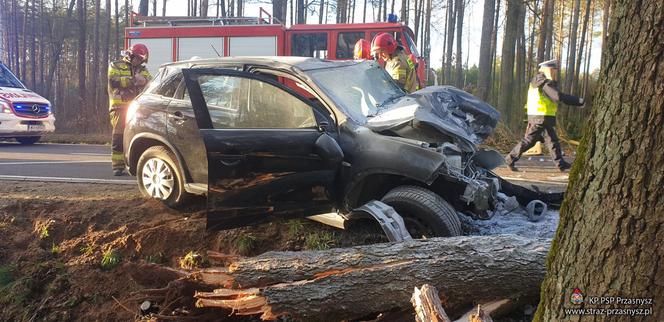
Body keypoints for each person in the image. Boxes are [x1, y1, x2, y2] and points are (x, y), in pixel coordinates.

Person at [505, 59, 584, 172]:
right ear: (548, 70)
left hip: (542, 116)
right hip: (540, 117)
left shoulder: (538, 81)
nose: (555, 73)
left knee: (552, 140)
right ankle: (509, 159)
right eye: (554, 70)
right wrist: (579, 101)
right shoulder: (543, 82)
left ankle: (560, 164)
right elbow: (557, 96)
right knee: (530, 141)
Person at [107, 43, 152, 176]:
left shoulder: (142, 69)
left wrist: (144, 81)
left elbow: (150, 81)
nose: (139, 61)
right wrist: (133, 80)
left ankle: (134, 164)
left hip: (137, 108)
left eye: (141, 59)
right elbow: (113, 81)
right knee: (119, 136)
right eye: (137, 58)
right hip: (119, 107)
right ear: (131, 55)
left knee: (137, 135)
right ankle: (118, 165)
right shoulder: (116, 65)